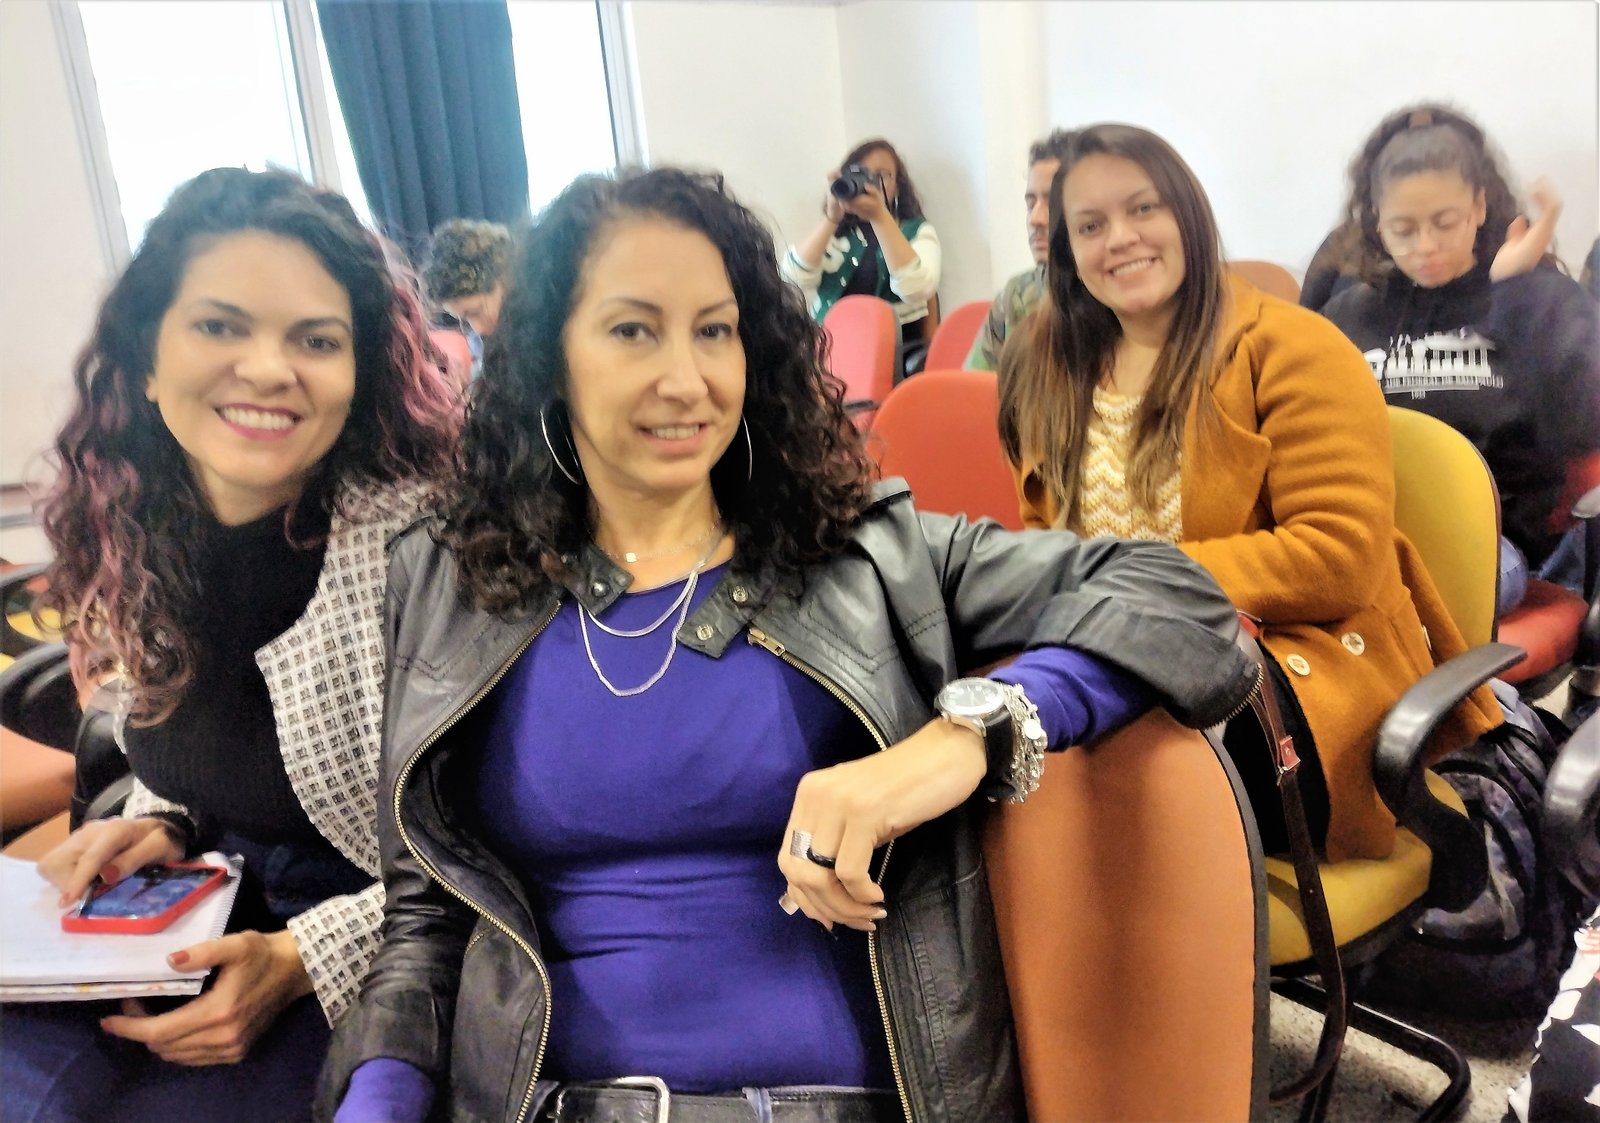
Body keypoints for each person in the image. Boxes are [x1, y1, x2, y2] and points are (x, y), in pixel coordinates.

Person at [315, 166, 1257, 1123]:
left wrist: (971, 736)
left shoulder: (865, 555)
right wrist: (375, 1104)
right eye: (633, 330)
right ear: (548, 357)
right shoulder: (454, 582)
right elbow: (425, 925)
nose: (686, 379)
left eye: (714, 330)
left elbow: (1182, 598)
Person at [0, 167, 460, 1122]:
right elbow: (200, 737)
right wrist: (162, 820)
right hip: (195, 905)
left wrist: (303, 961)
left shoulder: (429, 545)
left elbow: (499, 852)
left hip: (382, 945)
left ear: (361, 370)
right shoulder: (136, 525)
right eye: (219, 326)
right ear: (147, 358)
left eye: (316, 340)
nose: (267, 368)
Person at [997, 123, 1503, 864]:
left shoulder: (1293, 347)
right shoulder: (1047, 363)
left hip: (1298, 682)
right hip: (1117, 661)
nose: (1120, 238)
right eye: (1091, 225)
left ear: (1188, 213)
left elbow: (1337, 558)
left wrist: (1132, 583)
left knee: (1037, 761)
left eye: (1143, 208)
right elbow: (1047, 544)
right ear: (1066, 249)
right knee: (975, 731)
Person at [1319, 103, 1600, 612]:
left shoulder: (1534, 298)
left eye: (1445, 223)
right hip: (1370, 532)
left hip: (1493, 542)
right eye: (1404, 229)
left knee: (1403, 596)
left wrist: (1517, 296)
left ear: (1479, 207)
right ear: (1377, 224)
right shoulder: (1349, 312)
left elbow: (1581, 428)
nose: (1426, 246)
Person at [780, 138, 940, 370]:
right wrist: (832, 217)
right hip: (832, 350)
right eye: (861, 174)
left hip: (893, 357)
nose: (869, 182)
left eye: (881, 175)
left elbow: (917, 288)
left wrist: (880, 216)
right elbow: (793, 278)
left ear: (898, 186)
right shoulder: (837, 233)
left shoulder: (916, 231)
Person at [966, 127, 1075, 371]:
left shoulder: (1114, 297)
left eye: (1052, 202)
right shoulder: (1016, 295)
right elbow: (974, 385)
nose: (1035, 219)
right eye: (1030, 203)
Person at [422, 217, 514, 377]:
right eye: (465, 320)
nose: (478, 329)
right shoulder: (484, 345)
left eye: (476, 312)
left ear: (505, 278)